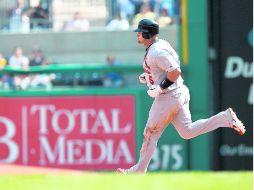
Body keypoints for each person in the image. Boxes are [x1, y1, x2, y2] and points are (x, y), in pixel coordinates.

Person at [116, 19, 246, 174]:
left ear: (147, 34)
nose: (137, 35)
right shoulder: (161, 44)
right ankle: (224, 118)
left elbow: (175, 71)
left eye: (139, 32)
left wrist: (159, 87)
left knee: (151, 133)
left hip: (168, 95)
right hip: (179, 91)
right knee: (187, 131)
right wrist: (149, 76)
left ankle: (138, 171)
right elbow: (166, 68)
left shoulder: (157, 51)